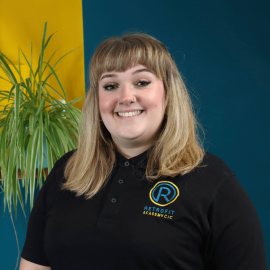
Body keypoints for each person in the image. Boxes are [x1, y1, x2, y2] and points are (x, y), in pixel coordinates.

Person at [20, 33, 268, 270]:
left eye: (142, 82)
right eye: (110, 85)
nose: (126, 97)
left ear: (168, 94)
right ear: (96, 101)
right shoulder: (67, 172)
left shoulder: (213, 181)